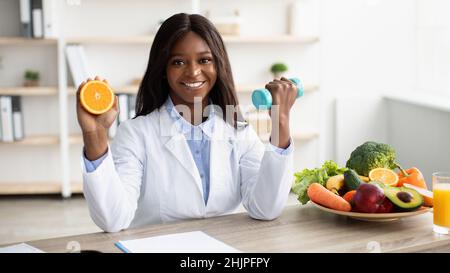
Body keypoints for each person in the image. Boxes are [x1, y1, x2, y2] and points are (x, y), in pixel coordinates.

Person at [77, 13, 298, 233]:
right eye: (178, 62)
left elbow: (265, 208)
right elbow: (113, 220)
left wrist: (281, 122)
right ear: (163, 69)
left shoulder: (238, 130)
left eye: (204, 60)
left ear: (218, 66)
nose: (193, 72)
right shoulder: (135, 134)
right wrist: (94, 136)